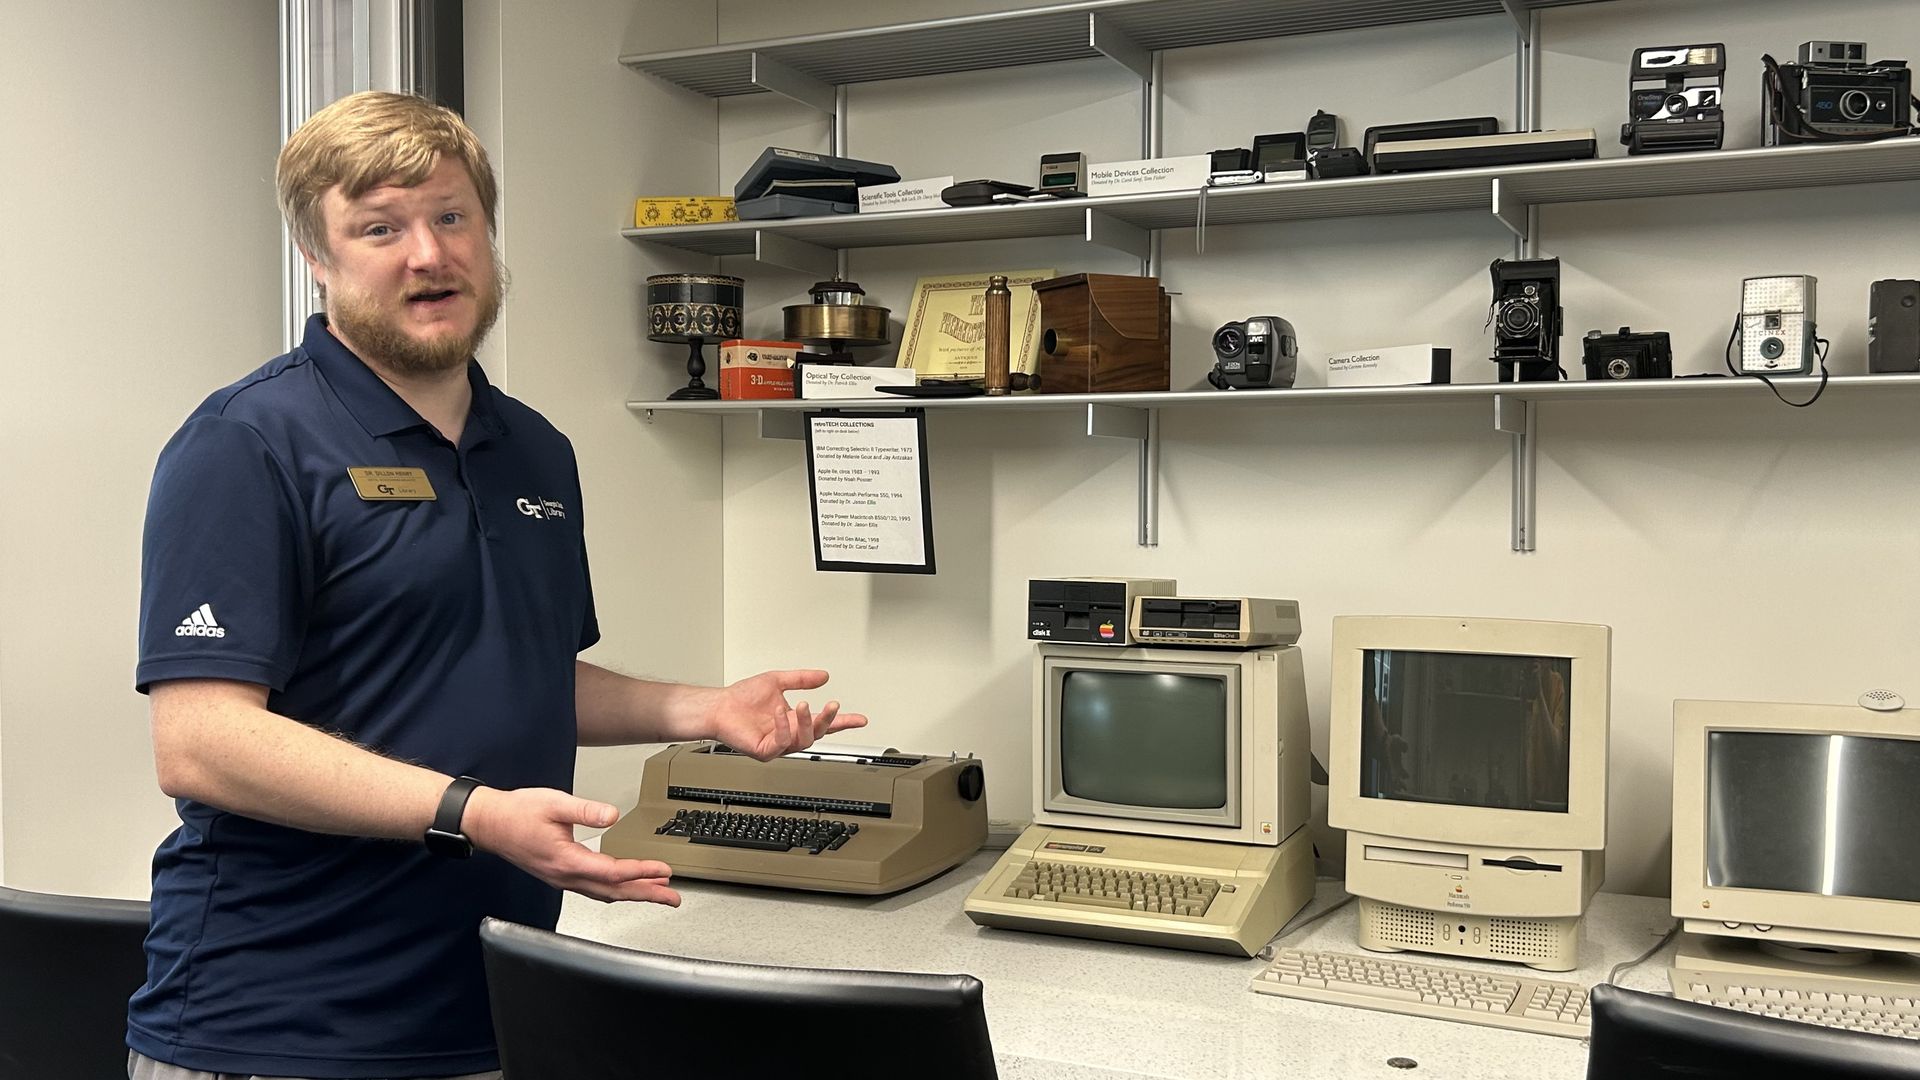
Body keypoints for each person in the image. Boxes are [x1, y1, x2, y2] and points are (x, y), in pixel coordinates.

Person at [128, 90, 865, 1080]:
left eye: (450, 216)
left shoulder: (535, 452)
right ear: (319, 257)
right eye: (380, 228)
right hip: (276, 1027)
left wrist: (705, 707)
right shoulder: (246, 444)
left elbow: (517, 672)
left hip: (489, 1012)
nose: (427, 255)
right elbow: (202, 744)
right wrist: (471, 812)